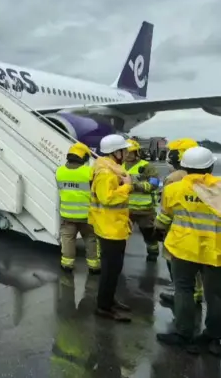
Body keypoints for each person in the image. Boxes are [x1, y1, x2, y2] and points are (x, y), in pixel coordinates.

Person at [155, 147, 221, 356]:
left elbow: (165, 217)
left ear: (185, 167)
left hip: (184, 248)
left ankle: (184, 334)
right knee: (215, 295)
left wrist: (158, 230)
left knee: (184, 290)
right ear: (211, 167)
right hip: (217, 251)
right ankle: (213, 338)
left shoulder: (174, 190)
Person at [90, 134, 139, 322]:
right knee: (110, 269)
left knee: (115, 268)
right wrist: (126, 187)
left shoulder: (111, 169)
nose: (126, 153)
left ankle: (109, 300)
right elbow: (107, 198)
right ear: (115, 152)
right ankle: (103, 307)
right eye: (124, 150)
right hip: (108, 227)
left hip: (115, 225)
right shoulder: (105, 173)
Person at [158, 138, 205, 307]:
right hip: (200, 229)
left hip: (177, 229)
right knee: (195, 263)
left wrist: (159, 227)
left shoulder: (174, 178)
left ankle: (183, 295)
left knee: (177, 265)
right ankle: (197, 292)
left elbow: (166, 209)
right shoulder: (207, 178)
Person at [55, 142, 100, 273]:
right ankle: (94, 266)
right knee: (91, 239)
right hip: (87, 215)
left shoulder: (59, 171)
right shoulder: (89, 172)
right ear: (84, 157)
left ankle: (67, 264)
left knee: (68, 239)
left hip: (67, 215)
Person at [123, 139, 161, 262]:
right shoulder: (119, 166)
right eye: (126, 152)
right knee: (121, 235)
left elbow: (154, 184)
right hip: (125, 209)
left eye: (131, 152)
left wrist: (135, 186)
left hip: (145, 209)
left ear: (137, 152)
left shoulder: (147, 167)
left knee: (149, 233)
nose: (128, 155)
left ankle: (153, 252)